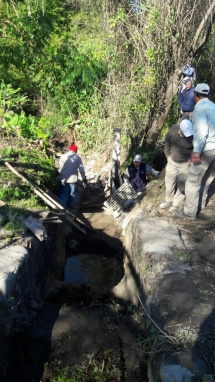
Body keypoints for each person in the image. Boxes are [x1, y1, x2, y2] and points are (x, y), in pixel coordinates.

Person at [177, 83, 215, 220]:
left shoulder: (199, 108)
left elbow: (202, 131)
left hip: (205, 149)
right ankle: (201, 205)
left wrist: (196, 151)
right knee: (206, 179)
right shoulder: (213, 106)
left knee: (193, 181)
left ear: (195, 95)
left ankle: (189, 213)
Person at [159, 119, 194, 213]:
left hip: (185, 164)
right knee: (169, 182)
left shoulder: (194, 134)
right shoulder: (173, 130)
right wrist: (167, 156)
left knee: (182, 184)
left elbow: (198, 147)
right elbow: (167, 142)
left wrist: (191, 158)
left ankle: (176, 204)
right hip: (172, 162)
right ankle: (168, 199)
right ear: (180, 129)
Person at [58, 144, 87, 208]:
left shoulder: (63, 156)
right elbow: (81, 170)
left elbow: (60, 167)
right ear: (76, 151)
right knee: (72, 193)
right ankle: (70, 207)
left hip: (64, 178)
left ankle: (62, 207)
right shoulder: (77, 158)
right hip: (72, 180)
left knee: (63, 193)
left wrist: (62, 174)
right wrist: (84, 179)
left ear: (69, 149)